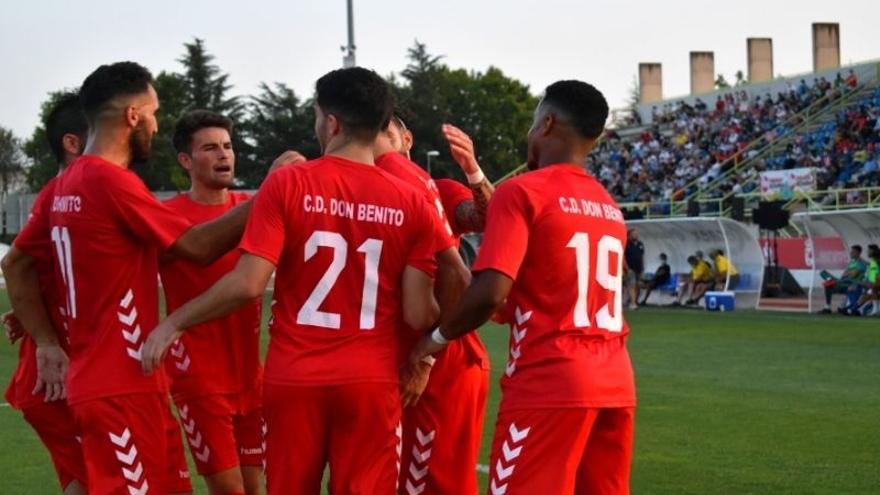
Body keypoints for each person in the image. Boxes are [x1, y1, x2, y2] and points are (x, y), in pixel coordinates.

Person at [140, 67, 440, 495]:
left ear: (330, 122)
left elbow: (247, 283)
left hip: (294, 378)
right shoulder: (413, 201)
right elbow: (417, 311)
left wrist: (174, 322)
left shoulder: (289, 182)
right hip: (370, 380)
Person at [2, 61, 264, 495]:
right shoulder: (110, 182)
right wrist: (273, 192)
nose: (157, 126)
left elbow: (21, 263)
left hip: (129, 380)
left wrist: (44, 332)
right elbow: (197, 248)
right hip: (118, 383)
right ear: (132, 116)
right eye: (154, 112)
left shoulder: (65, 184)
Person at [409, 80, 636, 494]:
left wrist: (434, 341)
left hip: (550, 380)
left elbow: (491, 291)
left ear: (547, 124)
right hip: (616, 381)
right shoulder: (607, 204)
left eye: (533, 124)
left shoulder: (523, 191)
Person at [159, 110, 295, 494]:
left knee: (257, 488)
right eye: (210, 148)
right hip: (198, 378)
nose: (223, 155)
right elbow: (116, 270)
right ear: (186, 160)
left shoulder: (251, 206)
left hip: (251, 376)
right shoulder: (166, 217)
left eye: (228, 146)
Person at [372, 117, 488, 495]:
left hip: (442, 357)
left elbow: (487, 216)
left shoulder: (438, 189)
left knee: (432, 482)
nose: (377, 147)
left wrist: (473, 171)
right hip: (399, 359)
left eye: (385, 136)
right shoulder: (370, 194)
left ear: (406, 140)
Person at [2, 92, 88, 495]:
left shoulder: (64, 195)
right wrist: (46, 340)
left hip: (62, 375)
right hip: (59, 378)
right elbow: (16, 264)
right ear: (73, 143)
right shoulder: (63, 196)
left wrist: (27, 311)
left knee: (81, 479)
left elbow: (40, 270)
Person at [819, 245, 867, 314]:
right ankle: (827, 307)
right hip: (842, 282)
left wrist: (848, 273)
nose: (851, 253)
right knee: (823, 275)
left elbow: (853, 276)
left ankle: (832, 281)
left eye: (853, 252)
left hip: (851, 284)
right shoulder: (851, 262)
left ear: (858, 252)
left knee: (829, 282)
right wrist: (849, 273)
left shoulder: (862, 263)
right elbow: (844, 275)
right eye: (851, 251)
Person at [624, 228, 644, 310]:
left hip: (639, 268)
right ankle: (633, 303)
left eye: (636, 234)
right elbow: (623, 257)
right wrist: (627, 268)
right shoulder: (626, 244)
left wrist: (642, 268)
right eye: (634, 234)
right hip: (630, 268)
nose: (636, 235)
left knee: (637, 285)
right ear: (629, 235)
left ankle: (633, 301)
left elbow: (641, 256)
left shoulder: (640, 244)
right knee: (631, 285)